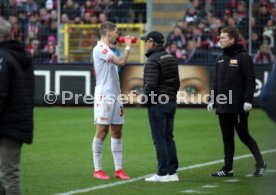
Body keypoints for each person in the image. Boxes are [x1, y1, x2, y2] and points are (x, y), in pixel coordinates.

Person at [207, 27, 266, 177]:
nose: (219, 40)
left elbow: (250, 80)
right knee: (227, 138)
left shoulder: (243, 57)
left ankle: (261, 163)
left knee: (244, 136)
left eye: (223, 38)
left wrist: (248, 100)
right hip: (222, 106)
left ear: (232, 39)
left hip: (237, 106)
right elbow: (216, 82)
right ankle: (228, 169)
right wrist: (212, 99)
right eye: (220, 37)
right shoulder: (219, 58)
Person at [92, 21, 132, 180]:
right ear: (109, 33)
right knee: (102, 131)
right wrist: (128, 46)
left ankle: (118, 169)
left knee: (117, 130)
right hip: (104, 95)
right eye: (116, 31)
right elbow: (121, 62)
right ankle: (98, 170)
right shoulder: (100, 48)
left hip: (115, 94)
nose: (118, 35)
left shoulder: (108, 48)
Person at [0, 17, 34, 194]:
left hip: (7, 124)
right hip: (17, 122)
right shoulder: (20, 56)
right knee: (5, 174)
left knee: (9, 175)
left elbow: (0, 93)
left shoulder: (3, 57)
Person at [141, 31, 180, 182]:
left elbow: (150, 85)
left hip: (158, 103)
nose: (145, 44)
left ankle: (162, 173)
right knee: (169, 137)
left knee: (159, 139)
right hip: (170, 101)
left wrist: (145, 99)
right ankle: (172, 172)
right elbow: (177, 83)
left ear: (152, 42)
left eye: (146, 41)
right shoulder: (170, 57)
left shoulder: (152, 60)